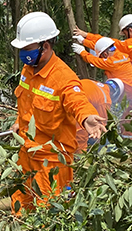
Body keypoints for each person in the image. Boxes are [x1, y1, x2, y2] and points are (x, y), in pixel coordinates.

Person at [10, 12, 106, 214]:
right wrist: (20, 121)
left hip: (51, 163)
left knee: (48, 215)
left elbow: (77, 100)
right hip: (26, 154)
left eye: (26, 49)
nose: (23, 55)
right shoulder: (28, 69)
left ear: (45, 46)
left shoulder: (64, 77)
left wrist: (87, 117)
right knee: (20, 207)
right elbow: (27, 102)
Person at [72, 36, 132, 141]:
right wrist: (84, 41)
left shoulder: (113, 62)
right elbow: (102, 45)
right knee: (127, 124)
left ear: (105, 55)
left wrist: (82, 52)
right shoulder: (117, 54)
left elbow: (96, 61)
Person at [73, 14, 132, 106]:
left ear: (130, 30)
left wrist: (86, 36)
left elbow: (106, 44)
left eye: (124, 34)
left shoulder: (129, 45)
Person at [75, 78, 125, 152]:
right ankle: (78, 159)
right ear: (115, 93)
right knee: (81, 139)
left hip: (65, 101)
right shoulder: (105, 99)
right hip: (77, 110)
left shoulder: (93, 83)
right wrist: (99, 144)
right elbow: (101, 124)